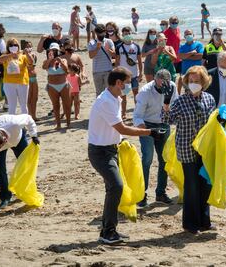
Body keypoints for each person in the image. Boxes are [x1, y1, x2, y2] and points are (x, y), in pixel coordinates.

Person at [88, 67, 166, 244]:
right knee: (116, 186)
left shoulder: (114, 98)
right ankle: (108, 231)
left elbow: (118, 128)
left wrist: (124, 140)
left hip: (111, 149)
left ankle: (109, 230)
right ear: (118, 83)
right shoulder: (106, 101)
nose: (130, 86)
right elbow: (122, 128)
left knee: (113, 188)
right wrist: (150, 132)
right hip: (100, 152)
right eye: (128, 83)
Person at [161, 65, 216, 234]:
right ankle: (190, 224)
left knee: (205, 185)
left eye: (197, 81)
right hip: (186, 149)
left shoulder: (209, 99)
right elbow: (166, 119)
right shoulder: (181, 100)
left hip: (205, 149)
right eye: (190, 81)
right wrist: (166, 103)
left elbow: (213, 121)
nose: (193, 84)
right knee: (191, 187)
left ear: (204, 82)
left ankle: (204, 221)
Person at [133, 69, 178, 207]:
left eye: (167, 81)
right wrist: (146, 131)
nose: (164, 84)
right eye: (161, 81)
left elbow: (175, 108)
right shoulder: (145, 92)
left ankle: (161, 192)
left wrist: (168, 101)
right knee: (147, 159)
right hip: (147, 124)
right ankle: (141, 194)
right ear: (154, 79)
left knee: (164, 158)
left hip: (163, 123)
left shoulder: (172, 87)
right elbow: (137, 115)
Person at [0, 114, 40, 209]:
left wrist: (33, 135)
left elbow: (28, 118)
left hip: (17, 139)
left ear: (5, 140)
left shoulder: (14, 123)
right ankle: (5, 198)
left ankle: (25, 190)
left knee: (25, 164)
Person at [0, 38, 33, 115]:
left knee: (23, 105)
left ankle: (24, 124)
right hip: (9, 83)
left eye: (15, 45)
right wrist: (10, 55)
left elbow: (31, 62)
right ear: (8, 47)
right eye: (11, 45)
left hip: (22, 83)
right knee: (12, 105)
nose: (13, 46)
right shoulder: (5, 56)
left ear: (18, 46)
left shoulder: (22, 56)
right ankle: (12, 125)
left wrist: (27, 53)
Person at [42, 43, 71, 129]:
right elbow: (44, 67)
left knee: (67, 104)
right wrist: (50, 59)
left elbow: (67, 70)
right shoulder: (47, 61)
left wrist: (60, 61)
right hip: (52, 86)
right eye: (52, 50)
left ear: (58, 51)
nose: (54, 52)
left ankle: (68, 122)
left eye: (55, 50)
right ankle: (58, 124)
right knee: (55, 105)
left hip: (63, 85)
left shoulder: (63, 60)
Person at [116, 26, 142, 119]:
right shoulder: (119, 47)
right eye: (125, 34)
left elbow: (139, 61)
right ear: (122, 34)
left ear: (131, 34)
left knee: (136, 94)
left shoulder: (136, 46)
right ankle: (123, 113)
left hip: (134, 75)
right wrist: (117, 74)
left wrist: (141, 73)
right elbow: (117, 61)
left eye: (128, 33)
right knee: (123, 95)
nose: (127, 35)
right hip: (123, 76)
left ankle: (137, 112)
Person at [88, 24, 115, 97]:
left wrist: (108, 49)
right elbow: (91, 56)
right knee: (99, 93)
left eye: (102, 32)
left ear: (105, 32)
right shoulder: (92, 43)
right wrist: (97, 48)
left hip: (108, 70)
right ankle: (100, 108)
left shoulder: (109, 41)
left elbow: (114, 55)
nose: (101, 34)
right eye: (99, 33)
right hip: (97, 71)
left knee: (109, 92)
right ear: (96, 33)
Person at [164, 16, 182, 90]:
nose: (174, 24)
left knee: (182, 77)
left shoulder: (178, 30)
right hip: (170, 58)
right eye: (172, 23)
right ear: (169, 23)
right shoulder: (166, 32)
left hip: (179, 58)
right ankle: (170, 92)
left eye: (176, 23)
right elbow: (163, 46)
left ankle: (178, 92)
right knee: (171, 77)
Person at [24, 41, 39, 121]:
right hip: (27, 78)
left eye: (30, 46)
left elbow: (33, 66)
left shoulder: (34, 55)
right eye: (27, 46)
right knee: (29, 98)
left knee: (35, 98)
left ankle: (34, 115)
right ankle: (29, 116)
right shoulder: (23, 56)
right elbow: (28, 67)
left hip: (34, 78)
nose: (29, 48)